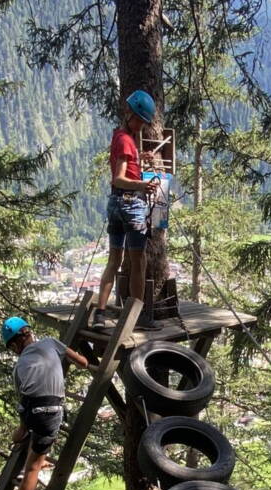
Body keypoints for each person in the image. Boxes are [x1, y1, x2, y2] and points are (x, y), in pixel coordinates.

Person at [0, 316, 88, 490]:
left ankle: (36, 454)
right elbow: (83, 363)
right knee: (32, 468)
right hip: (49, 413)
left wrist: (23, 427)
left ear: (14, 344)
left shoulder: (19, 367)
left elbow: (25, 400)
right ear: (28, 332)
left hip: (31, 414)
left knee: (26, 441)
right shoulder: (50, 342)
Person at [95, 88, 162, 331]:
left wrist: (139, 157)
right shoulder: (126, 140)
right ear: (132, 115)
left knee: (114, 259)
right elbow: (119, 178)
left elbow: (125, 164)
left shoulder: (120, 136)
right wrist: (143, 185)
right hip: (130, 203)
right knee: (138, 261)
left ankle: (100, 314)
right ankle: (139, 318)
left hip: (114, 205)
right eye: (141, 122)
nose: (142, 127)